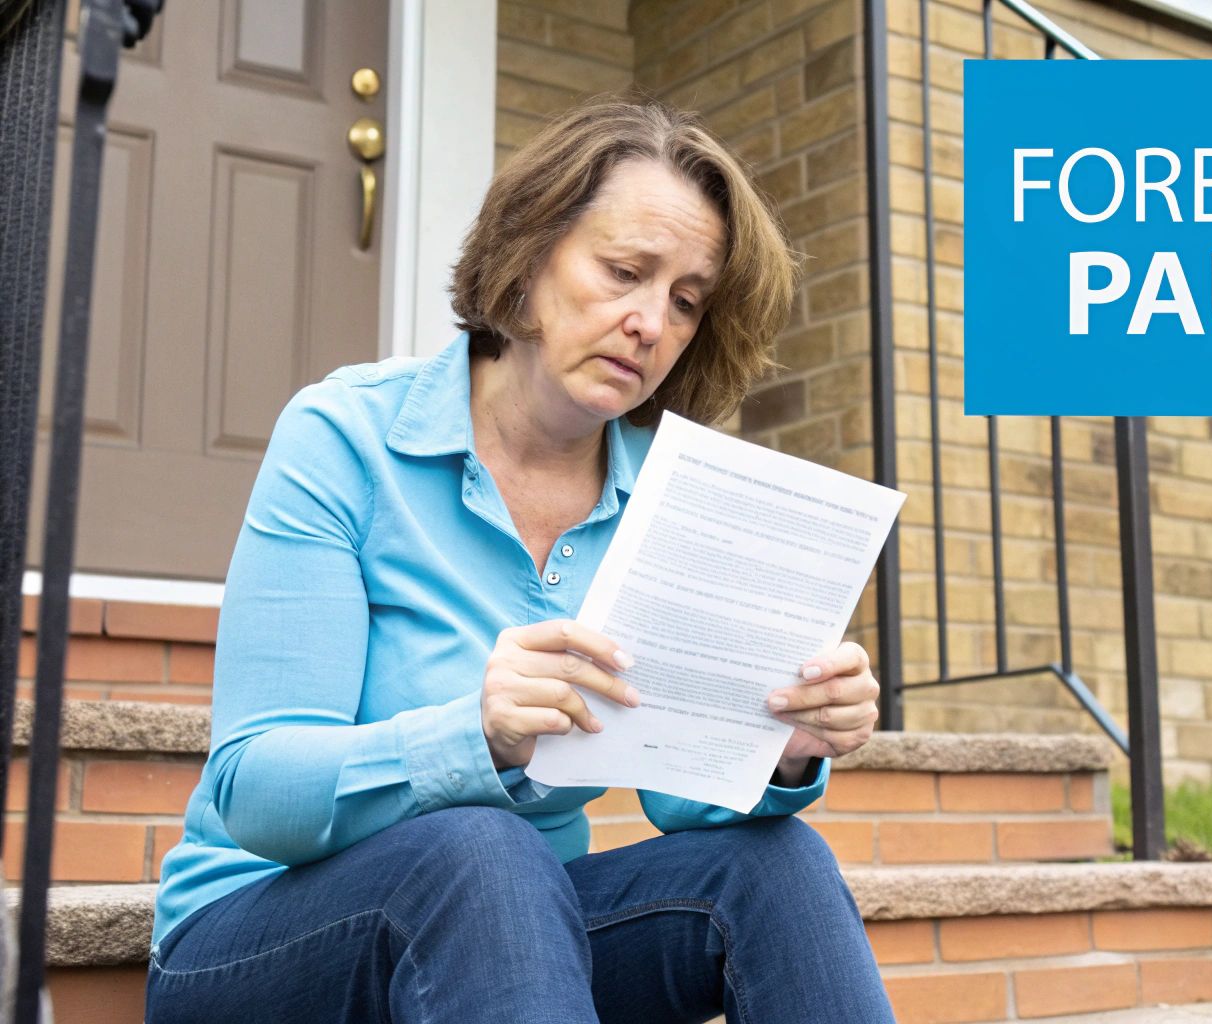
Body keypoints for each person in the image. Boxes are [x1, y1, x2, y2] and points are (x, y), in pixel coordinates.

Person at [145, 98, 897, 1024]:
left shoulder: (660, 497)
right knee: (482, 847)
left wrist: (777, 749)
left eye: (686, 302)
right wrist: (475, 736)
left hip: (510, 942)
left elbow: (681, 800)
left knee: (775, 868)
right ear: (531, 248)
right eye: (624, 272)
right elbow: (255, 790)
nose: (650, 323)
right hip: (262, 937)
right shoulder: (346, 437)